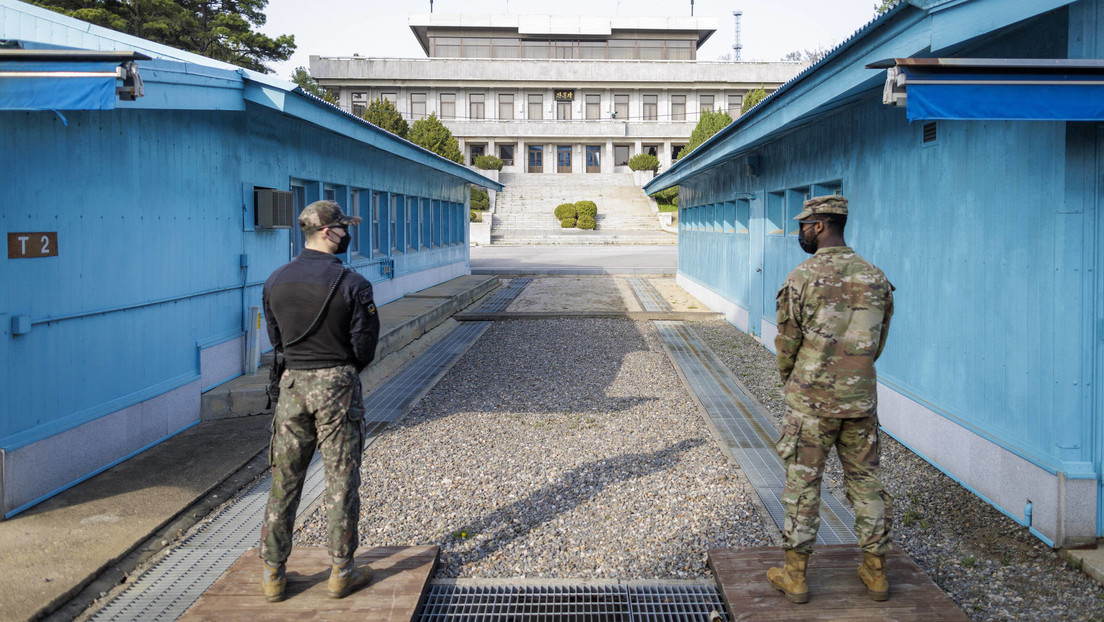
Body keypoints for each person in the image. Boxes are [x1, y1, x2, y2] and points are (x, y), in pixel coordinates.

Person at [767, 195, 895, 604]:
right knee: (866, 484)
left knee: (804, 486)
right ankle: (876, 574)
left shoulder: (802, 277)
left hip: (812, 405)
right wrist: (853, 373)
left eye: (804, 224)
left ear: (820, 225)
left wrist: (792, 381)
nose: (800, 231)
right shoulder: (875, 277)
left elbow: (787, 344)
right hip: (860, 402)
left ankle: (796, 576)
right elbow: (878, 342)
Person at [259, 200, 380, 603]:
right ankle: (341, 572)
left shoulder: (275, 280)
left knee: (284, 480)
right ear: (327, 232)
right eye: (343, 228)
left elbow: (277, 341)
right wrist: (339, 369)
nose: (347, 234)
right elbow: (365, 348)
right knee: (341, 480)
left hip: (292, 388)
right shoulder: (353, 283)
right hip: (338, 387)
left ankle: (273, 575)